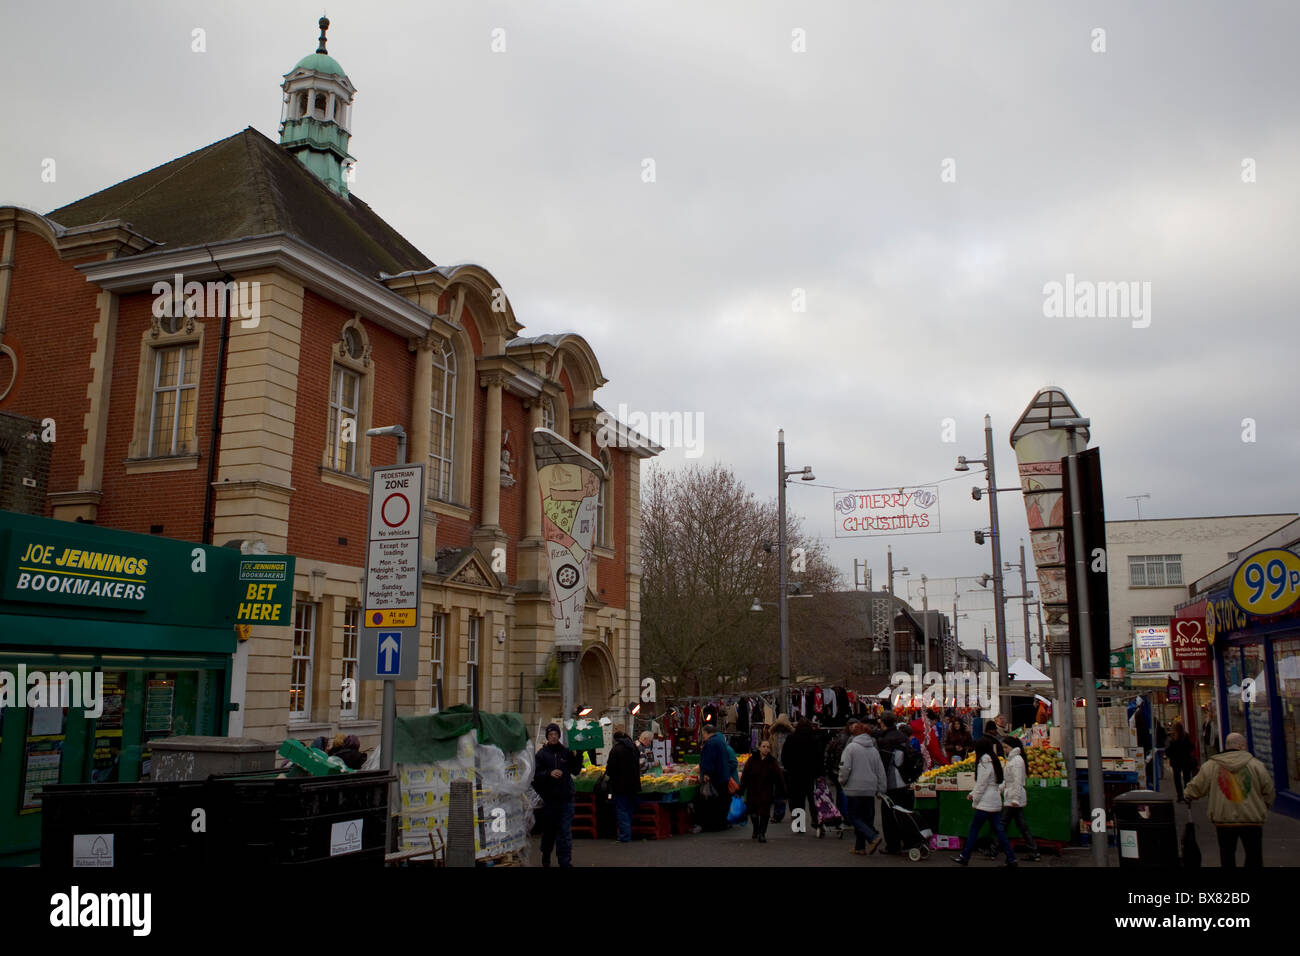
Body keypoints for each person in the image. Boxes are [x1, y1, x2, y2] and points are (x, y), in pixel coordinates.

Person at [1183, 732, 1275, 868]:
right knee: (1254, 855)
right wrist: (1264, 805)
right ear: (1242, 746)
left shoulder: (1211, 765)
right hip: (1251, 819)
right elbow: (1268, 789)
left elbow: (1197, 787)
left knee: (1227, 855)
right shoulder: (1256, 765)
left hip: (1224, 819)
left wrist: (1188, 794)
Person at [953, 735, 1016, 867]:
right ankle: (1011, 858)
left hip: (985, 802)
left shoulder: (983, 761)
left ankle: (965, 856)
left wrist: (974, 797)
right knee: (1000, 831)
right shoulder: (994, 759)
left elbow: (982, 783)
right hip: (995, 800)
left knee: (974, 830)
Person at [533, 723, 583, 867]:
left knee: (565, 832)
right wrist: (549, 773)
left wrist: (579, 753)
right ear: (547, 737)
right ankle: (546, 855)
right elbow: (536, 775)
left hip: (566, 798)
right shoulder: (541, 755)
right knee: (549, 831)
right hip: (549, 800)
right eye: (550, 735)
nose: (553, 737)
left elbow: (576, 770)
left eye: (555, 734)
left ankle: (565, 861)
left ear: (559, 736)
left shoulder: (566, 752)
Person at [838, 720, 886, 855]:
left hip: (854, 788)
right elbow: (880, 770)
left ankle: (873, 837)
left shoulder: (851, 748)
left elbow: (845, 768)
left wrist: (842, 781)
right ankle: (860, 847)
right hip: (869, 788)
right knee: (865, 818)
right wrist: (881, 788)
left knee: (854, 817)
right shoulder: (873, 750)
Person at [780, 718, 827, 836]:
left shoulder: (791, 738)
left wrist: (789, 769)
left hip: (795, 775)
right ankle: (816, 822)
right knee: (813, 800)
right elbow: (820, 758)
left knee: (797, 801)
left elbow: (785, 756)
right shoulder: (815, 739)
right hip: (811, 775)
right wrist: (820, 773)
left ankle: (799, 825)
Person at [998, 736, 1040, 862]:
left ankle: (994, 849)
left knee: (1003, 824)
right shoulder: (1013, 760)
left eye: (1005, 747)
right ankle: (1033, 851)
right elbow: (1009, 780)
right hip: (1013, 797)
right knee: (1020, 825)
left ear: (1012, 747)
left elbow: (1017, 781)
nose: (1004, 749)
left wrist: (1015, 798)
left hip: (1013, 798)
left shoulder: (1016, 761)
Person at [876, 713, 912, 854]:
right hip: (904, 780)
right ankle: (906, 841)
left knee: (888, 814)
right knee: (902, 812)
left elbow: (882, 765)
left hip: (890, 782)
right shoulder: (902, 736)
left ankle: (893, 845)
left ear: (882, 722)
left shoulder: (884, 740)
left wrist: (880, 786)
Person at [739, 739, 784, 843]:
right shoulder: (752, 760)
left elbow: (779, 778)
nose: (766, 749)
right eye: (764, 746)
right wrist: (741, 789)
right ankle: (756, 829)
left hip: (766, 791)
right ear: (759, 748)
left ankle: (762, 833)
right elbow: (745, 775)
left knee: (765, 813)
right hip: (752, 791)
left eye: (768, 747)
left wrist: (783, 792)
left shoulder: (772, 762)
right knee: (753, 813)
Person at [604, 724, 641, 843]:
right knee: (629, 809)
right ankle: (627, 832)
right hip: (634, 784)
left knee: (621, 809)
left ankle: (625, 836)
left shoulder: (616, 750)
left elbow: (610, 769)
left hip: (620, 785)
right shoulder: (634, 748)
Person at [697, 724, 733, 831]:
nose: (703, 736)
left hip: (716, 777)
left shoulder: (710, 743)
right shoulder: (721, 741)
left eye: (703, 734)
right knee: (722, 801)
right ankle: (722, 823)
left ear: (707, 733)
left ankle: (714, 825)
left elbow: (709, 759)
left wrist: (707, 773)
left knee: (714, 802)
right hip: (723, 775)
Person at [1165, 720, 1196, 802]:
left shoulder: (1171, 738)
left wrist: (1170, 755)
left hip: (1175, 761)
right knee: (1187, 778)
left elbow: (1168, 751)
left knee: (1177, 779)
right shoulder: (1186, 736)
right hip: (1186, 760)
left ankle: (1180, 796)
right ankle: (1187, 795)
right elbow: (1192, 747)